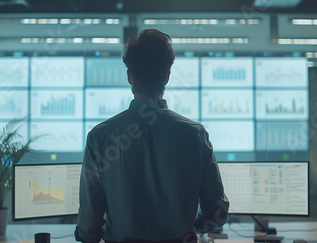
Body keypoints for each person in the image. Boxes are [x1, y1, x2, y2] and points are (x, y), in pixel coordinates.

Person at [75, 29, 229, 243]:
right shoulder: (195, 134)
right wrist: (190, 227)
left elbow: (89, 222)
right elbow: (217, 210)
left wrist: (89, 236)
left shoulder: (99, 137)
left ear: (130, 76)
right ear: (167, 76)